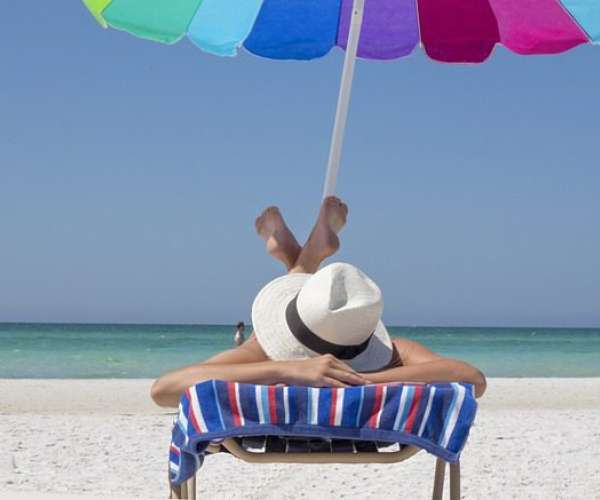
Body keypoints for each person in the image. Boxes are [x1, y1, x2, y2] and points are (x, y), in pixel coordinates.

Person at [151, 197, 486, 408]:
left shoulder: (263, 353)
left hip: (276, 363)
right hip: (362, 371)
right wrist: (363, 380)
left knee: (258, 340)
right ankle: (305, 256)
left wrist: (287, 369)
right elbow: (472, 377)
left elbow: (164, 389)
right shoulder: (395, 355)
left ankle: (306, 258)